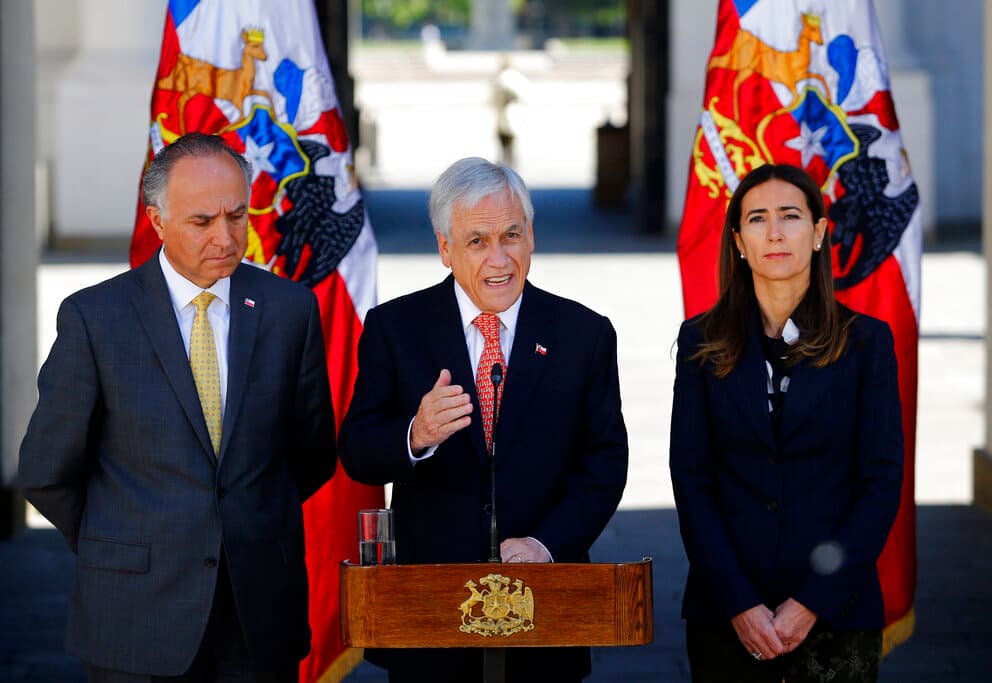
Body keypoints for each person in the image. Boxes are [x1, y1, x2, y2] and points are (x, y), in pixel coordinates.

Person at [19, 133, 337, 683]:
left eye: (237, 216)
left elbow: (310, 454)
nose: (225, 236)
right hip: (134, 615)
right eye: (202, 221)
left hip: (257, 612)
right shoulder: (95, 319)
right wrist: (119, 541)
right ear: (158, 222)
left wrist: (243, 526)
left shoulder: (290, 310)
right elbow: (47, 470)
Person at [339, 156, 628, 682]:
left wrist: (546, 544)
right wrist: (415, 435)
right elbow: (357, 448)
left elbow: (605, 464)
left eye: (511, 235)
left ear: (532, 236)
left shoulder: (584, 334)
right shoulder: (395, 328)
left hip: (546, 614)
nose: (500, 258)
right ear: (445, 248)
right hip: (429, 613)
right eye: (477, 241)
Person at [669, 163, 904, 683]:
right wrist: (739, 603)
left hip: (836, 613)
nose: (774, 232)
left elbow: (881, 483)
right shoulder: (699, 342)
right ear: (739, 241)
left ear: (819, 232)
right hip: (726, 615)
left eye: (790, 215)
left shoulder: (867, 343)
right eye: (757, 219)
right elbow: (692, 481)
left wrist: (809, 602)